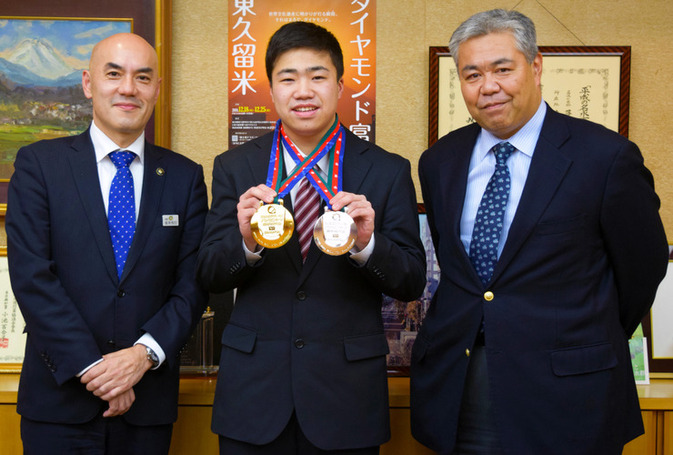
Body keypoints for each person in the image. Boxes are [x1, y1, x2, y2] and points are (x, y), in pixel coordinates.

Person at [410, 9, 668, 455]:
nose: (487, 86)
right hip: (460, 388)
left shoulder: (605, 157)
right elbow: (460, 273)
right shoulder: (439, 161)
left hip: (570, 395)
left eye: (502, 69)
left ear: (536, 66)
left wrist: (583, 336)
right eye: (471, 75)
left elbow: (642, 270)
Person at [197, 21, 426, 454]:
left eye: (318, 76)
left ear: (340, 86)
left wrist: (366, 245)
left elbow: (411, 281)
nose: (304, 90)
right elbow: (209, 272)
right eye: (288, 78)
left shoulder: (386, 169)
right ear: (271, 89)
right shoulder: (235, 167)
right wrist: (246, 243)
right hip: (254, 396)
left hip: (346, 397)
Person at [6, 33, 208, 454]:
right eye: (114, 74)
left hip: (147, 404)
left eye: (143, 77)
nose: (128, 88)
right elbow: (32, 278)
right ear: (87, 83)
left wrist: (142, 356)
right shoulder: (39, 165)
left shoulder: (185, 177)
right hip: (58, 404)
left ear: (155, 89)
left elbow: (191, 283)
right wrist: (95, 369)